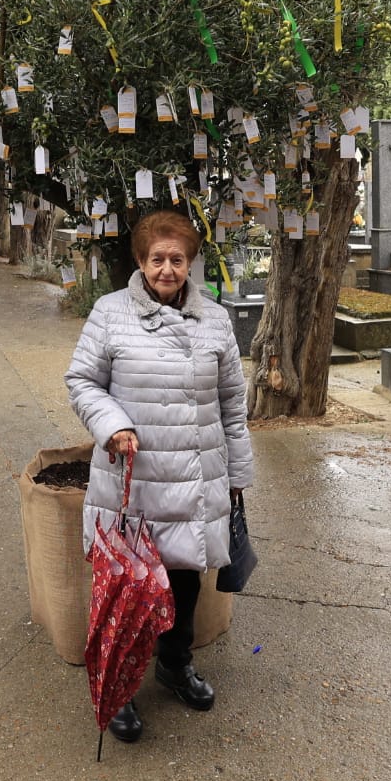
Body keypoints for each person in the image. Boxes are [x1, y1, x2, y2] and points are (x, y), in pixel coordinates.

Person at [65, 210, 253, 745]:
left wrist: (237, 471)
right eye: (157, 259)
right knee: (128, 586)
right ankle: (120, 686)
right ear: (141, 262)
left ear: (189, 263)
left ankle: (175, 664)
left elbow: (232, 402)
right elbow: (82, 379)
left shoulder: (215, 319)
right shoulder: (110, 313)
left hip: (196, 474)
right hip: (135, 474)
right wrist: (113, 424)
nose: (167, 269)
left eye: (177, 259)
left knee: (186, 578)